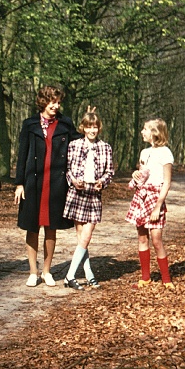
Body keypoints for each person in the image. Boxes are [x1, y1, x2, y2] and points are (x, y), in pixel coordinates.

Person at [14, 85, 81, 287]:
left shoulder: (65, 123)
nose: (56, 105)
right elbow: (22, 154)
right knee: (32, 227)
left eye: (59, 102)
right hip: (33, 182)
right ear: (44, 101)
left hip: (56, 183)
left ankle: (46, 271)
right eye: (53, 101)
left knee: (51, 227)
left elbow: (80, 144)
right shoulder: (29, 124)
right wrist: (19, 183)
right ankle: (33, 272)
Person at [62, 107, 115, 290]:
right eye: (88, 127)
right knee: (81, 238)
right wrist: (73, 181)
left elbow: (110, 171)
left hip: (94, 195)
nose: (91, 130)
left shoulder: (105, 147)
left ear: (99, 128)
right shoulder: (74, 145)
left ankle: (69, 276)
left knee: (87, 236)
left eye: (95, 127)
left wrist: (103, 181)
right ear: (83, 128)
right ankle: (89, 274)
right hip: (77, 193)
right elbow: (67, 169)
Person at [125, 118, 175, 290]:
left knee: (156, 240)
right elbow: (142, 174)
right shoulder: (144, 152)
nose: (142, 132)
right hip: (141, 196)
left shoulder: (166, 153)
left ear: (155, 132)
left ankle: (166, 279)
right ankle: (145, 278)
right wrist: (135, 175)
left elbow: (167, 182)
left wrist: (158, 206)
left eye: (145, 129)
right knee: (142, 237)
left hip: (156, 198)